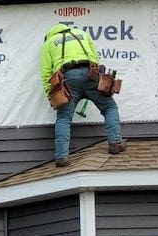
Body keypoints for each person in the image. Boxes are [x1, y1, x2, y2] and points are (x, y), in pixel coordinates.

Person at [40, 23, 125, 167]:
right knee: (109, 107)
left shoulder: (49, 43)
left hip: (68, 79)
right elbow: (95, 58)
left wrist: (50, 93)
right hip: (90, 74)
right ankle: (115, 142)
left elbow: (46, 72)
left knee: (64, 118)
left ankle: (61, 157)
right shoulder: (82, 34)